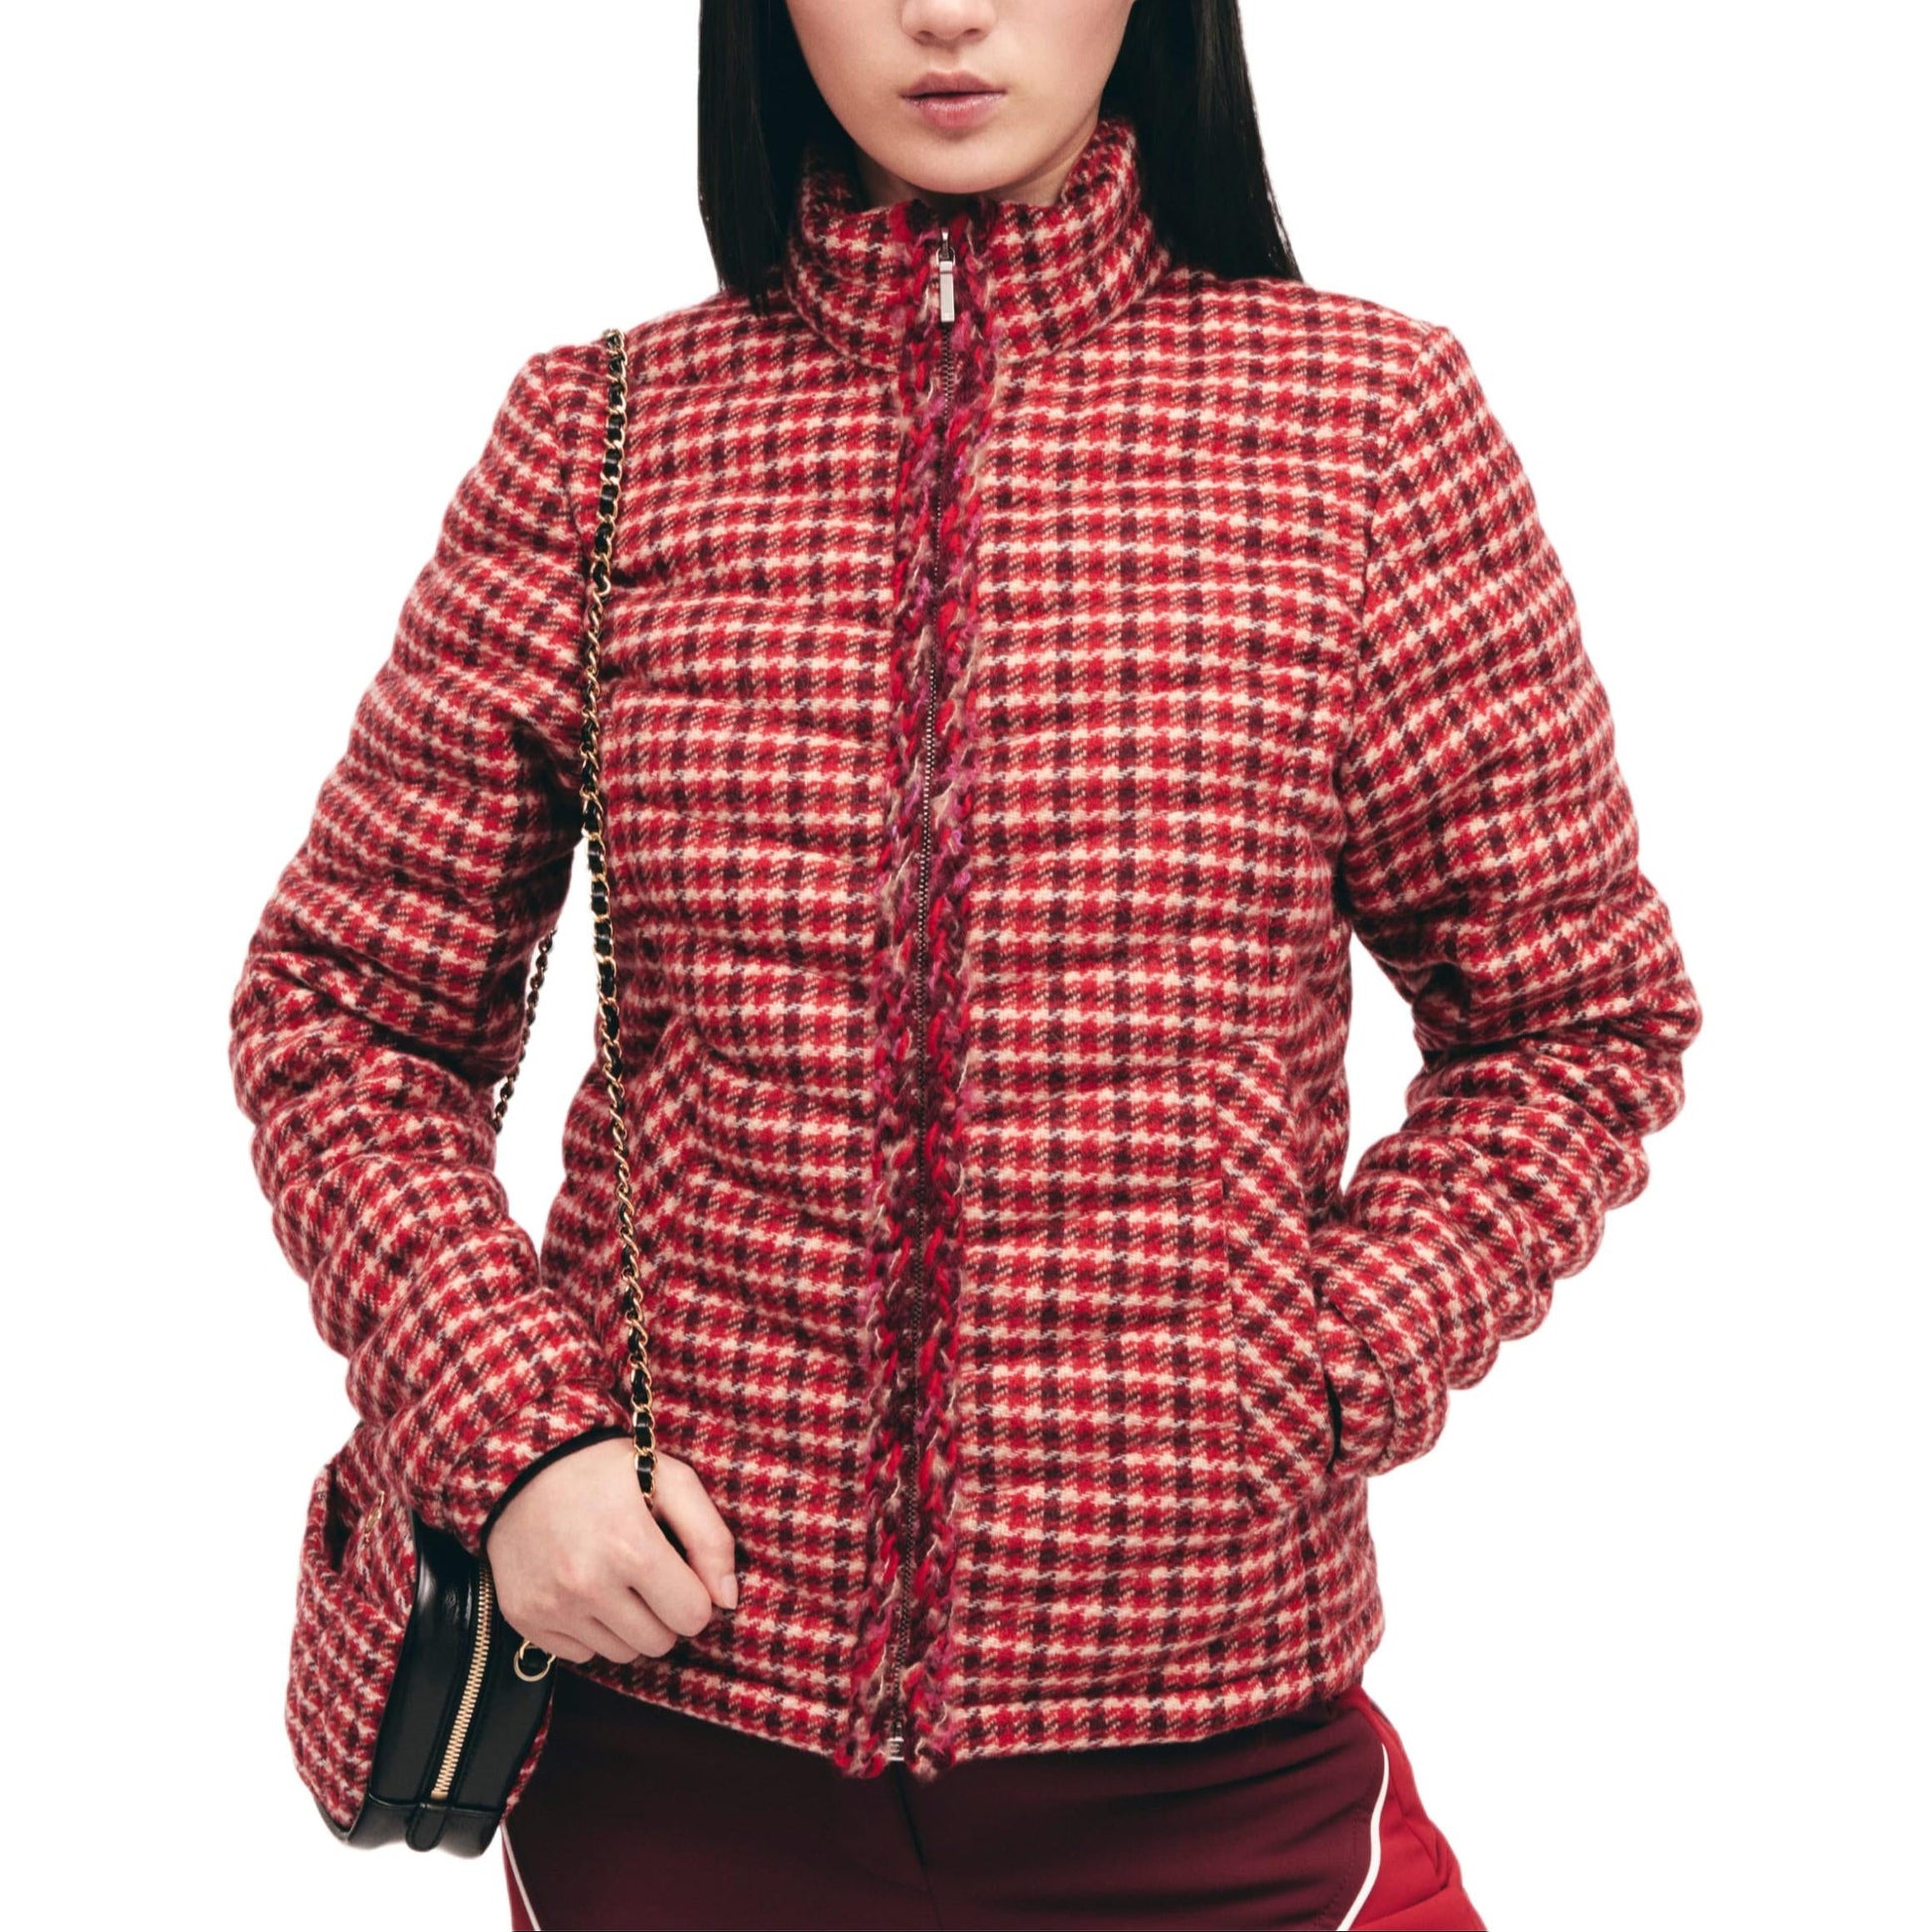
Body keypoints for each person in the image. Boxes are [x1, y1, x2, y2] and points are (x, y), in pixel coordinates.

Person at [227, 1, 1703, 1925]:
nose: (945, 11)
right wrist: (519, 1440)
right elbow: (345, 1019)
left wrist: (1304, 1374)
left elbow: (1573, 1020)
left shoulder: (1362, 422)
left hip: (1212, 1779)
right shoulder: (602, 437)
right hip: (680, 1773)